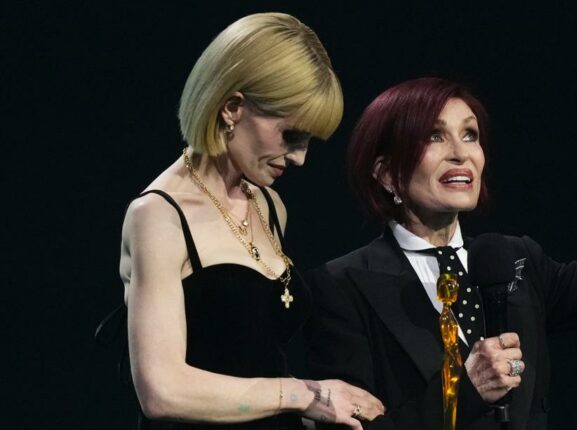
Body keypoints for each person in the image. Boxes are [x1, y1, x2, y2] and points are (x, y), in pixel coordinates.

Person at [303, 34, 577, 429]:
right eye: (434, 136)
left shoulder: (515, 262)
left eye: (470, 135)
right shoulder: (343, 287)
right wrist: (463, 394)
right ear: (387, 174)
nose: (460, 154)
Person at [109, 13, 384, 430]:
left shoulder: (270, 205)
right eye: (291, 136)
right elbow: (161, 390)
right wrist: (306, 394)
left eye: (309, 142)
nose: (299, 158)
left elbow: (252, 357)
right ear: (232, 108)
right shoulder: (158, 217)